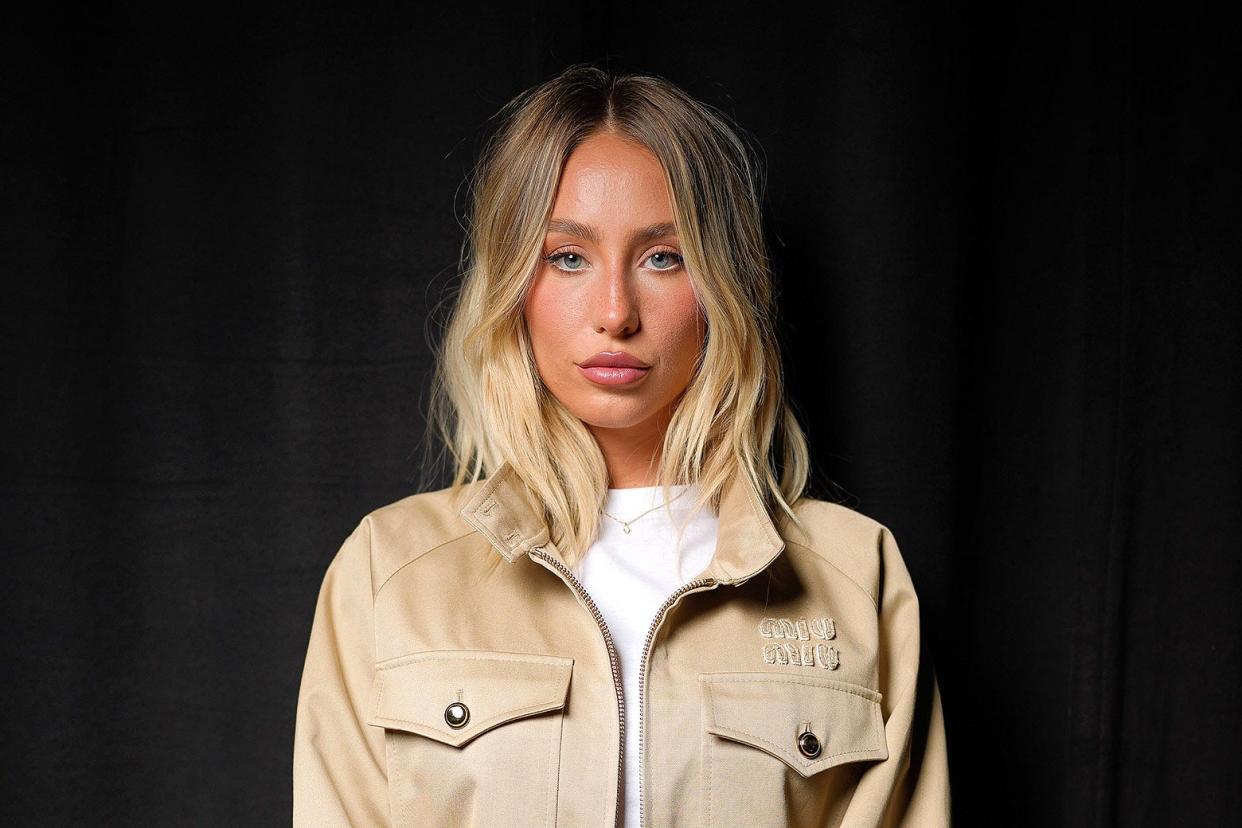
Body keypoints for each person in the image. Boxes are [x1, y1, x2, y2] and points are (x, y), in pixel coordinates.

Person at [293, 63, 951, 827]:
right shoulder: (389, 570)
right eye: (567, 256)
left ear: (723, 287)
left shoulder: (854, 574)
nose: (616, 312)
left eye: (663, 257)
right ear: (515, 286)